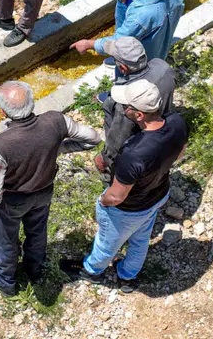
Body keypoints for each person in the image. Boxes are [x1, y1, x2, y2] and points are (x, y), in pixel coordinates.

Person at [61, 78, 187, 291]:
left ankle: (91, 271)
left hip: (129, 208)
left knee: (107, 243)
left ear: (139, 115)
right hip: (158, 195)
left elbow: (117, 196)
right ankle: (127, 276)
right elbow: (180, 153)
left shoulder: (133, 153)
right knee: (141, 238)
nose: (122, 108)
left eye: (125, 106)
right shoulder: (177, 122)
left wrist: (101, 201)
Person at [0, 81, 100, 295]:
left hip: (13, 200)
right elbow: (93, 139)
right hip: (44, 191)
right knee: (37, 232)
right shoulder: (56, 120)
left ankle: (5, 281)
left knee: (4, 241)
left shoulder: (1, 144)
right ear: (33, 103)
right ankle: (34, 269)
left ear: (2, 112)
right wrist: (59, 148)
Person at [85, 37, 176, 170]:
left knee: (109, 106)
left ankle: (110, 177)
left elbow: (118, 137)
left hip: (138, 141)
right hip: (161, 122)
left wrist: (105, 158)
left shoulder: (128, 101)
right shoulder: (163, 67)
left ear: (122, 68)